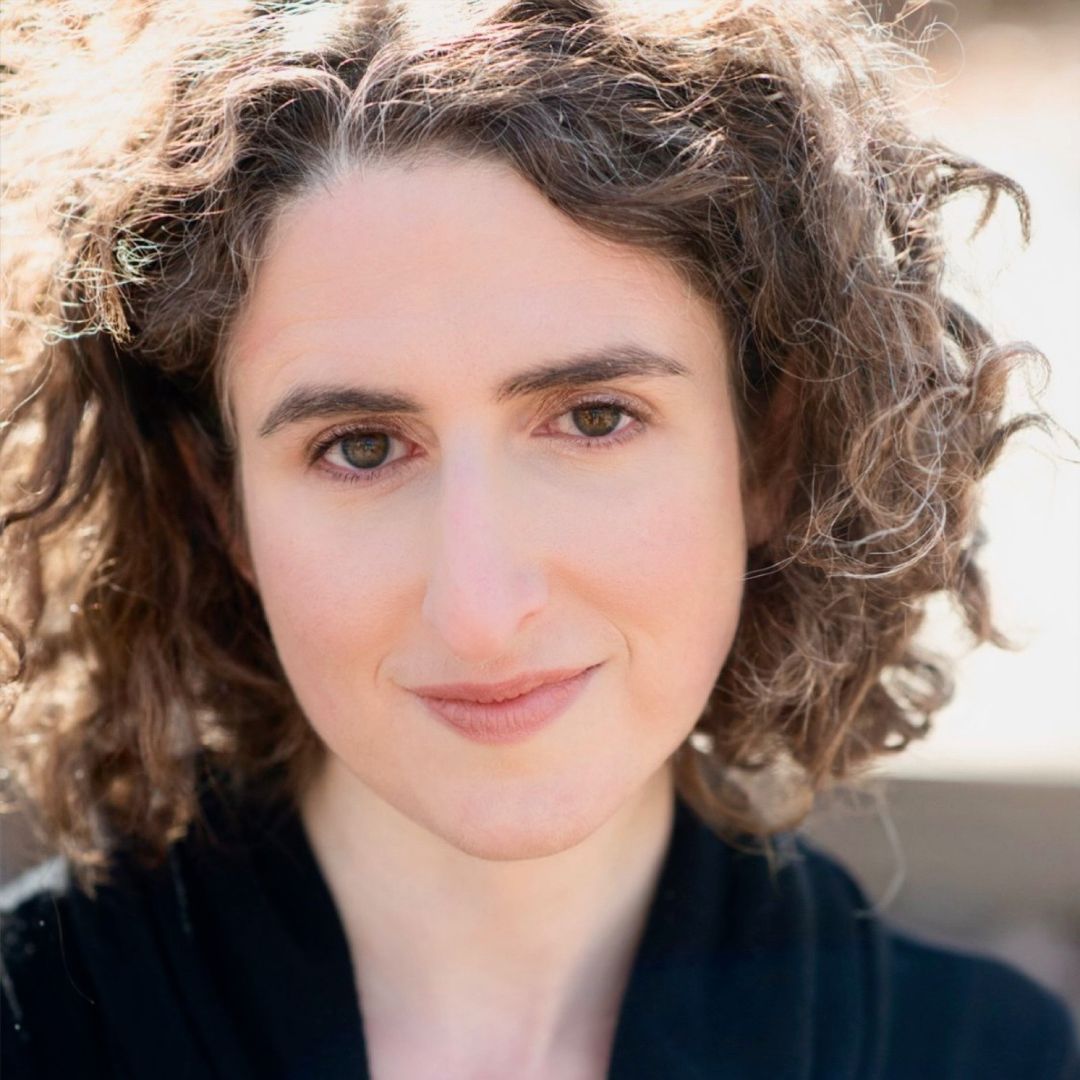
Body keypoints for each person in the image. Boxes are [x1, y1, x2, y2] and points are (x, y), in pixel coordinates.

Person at [0, 0, 1076, 1077]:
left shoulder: (986, 1055)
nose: (480, 608)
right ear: (217, 503)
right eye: (362, 448)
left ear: (770, 455)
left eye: (595, 419)